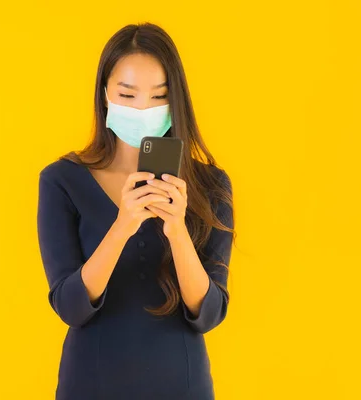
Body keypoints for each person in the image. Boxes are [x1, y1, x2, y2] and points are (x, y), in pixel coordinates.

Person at [36, 22, 236, 400]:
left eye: (158, 96)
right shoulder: (61, 181)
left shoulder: (211, 186)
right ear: (105, 95)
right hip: (90, 384)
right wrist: (122, 226)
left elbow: (208, 315)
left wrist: (177, 231)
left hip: (183, 385)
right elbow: (71, 306)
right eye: (127, 95)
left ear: (175, 100)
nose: (143, 109)